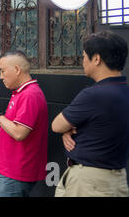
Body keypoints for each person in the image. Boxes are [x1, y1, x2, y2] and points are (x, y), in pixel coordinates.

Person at [52, 31, 129, 197]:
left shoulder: (94, 95)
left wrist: (67, 129)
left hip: (90, 183)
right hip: (117, 178)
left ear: (97, 59)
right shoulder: (124, 91)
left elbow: (56, 125)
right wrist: (70, 129)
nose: (83, 61)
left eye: (84, 56)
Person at [0, 50, 48, 197]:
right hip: (10, 170)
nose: (1, 77)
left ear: (17, 70)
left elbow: (19, 133)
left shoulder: (29, 95)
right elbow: (10, 125)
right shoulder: (21, 92)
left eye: (2, 71)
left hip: (15, 172)